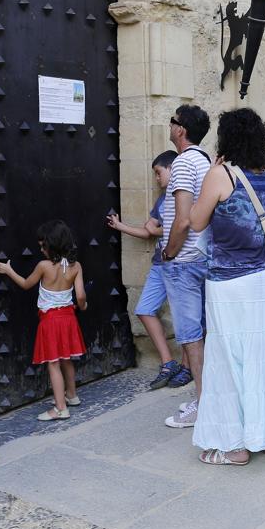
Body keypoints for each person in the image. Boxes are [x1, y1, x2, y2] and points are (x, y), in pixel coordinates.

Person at [188, 108, 265, 465]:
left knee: (228, 359)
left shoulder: (220, 174)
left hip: (229, 280)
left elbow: (196, 221)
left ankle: (234, 446)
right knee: (263, 354)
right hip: (264, 278)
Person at [107, 150, 193, 390]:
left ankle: (188, 367)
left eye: (158, 173)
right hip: (160, 264)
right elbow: (149, 229)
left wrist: (158, 228)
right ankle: (168, 362)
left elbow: (182, 227)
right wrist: (121, 226)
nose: (156, 179)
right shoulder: (162, 200)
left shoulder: (185, 196)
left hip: (180, 262)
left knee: (186, 318)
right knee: (144, 309)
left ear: (173, 169)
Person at [0, 220, 88, 421]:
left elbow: (27, 284)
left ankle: (60, 409)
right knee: (67, 359)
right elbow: (80, 296)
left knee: (53, 364)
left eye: (42, 245)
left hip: (50, 320)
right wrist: (83, 306)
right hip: (68, 318)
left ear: (51, 244)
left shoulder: (44, 266)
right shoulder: (76, 266)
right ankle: (71, 395)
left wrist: (10, 271)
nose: (41, 249)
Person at [162, 104, 213, 429]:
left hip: (184, 261)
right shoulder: (205, 160)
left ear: (180, 130)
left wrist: (169, 252)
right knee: (205, 332)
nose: (169, 126)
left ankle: (203, 404)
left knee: (191, 336)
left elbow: (182, 220)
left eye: (172, 122)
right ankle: (209, 397)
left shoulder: (182, 163)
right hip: (206, 256)